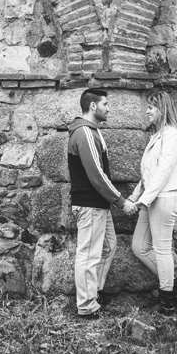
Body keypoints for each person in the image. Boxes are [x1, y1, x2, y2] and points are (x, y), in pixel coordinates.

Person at [68, 88, 137, 320]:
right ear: (93, 106)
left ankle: (94, 294)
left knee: (107, 248)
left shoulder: (93, 132)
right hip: (90, 206)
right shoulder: (85, 133)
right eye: (105, 104)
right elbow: (97, 175)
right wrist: (121, 201)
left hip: (99, 206)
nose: (109, 108)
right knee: (88, 255)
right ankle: (86, 306)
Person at [128, 91, 177, 314]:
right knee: (139, 247)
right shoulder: (157, 135)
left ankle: (167, 302)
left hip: (166, 197)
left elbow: (163, 173)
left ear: (162, 109)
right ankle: (174, 286)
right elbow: (148, 175)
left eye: (151, 108)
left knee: (161, 250)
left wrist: (143, 201)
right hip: (153, 197)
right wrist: (134, 198)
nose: (147, 111)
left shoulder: (172, 136)